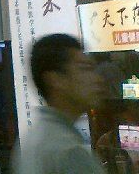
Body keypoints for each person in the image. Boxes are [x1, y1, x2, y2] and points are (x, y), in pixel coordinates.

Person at [12, 34, 105, 174]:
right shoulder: (69, 151)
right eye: (85, 68)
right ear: (55, 80)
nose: (98, 79)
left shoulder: (31, 140)